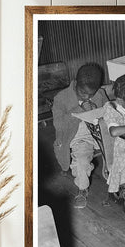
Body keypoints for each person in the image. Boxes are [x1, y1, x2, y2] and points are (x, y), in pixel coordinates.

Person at [52, 63, 109, 209]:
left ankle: (118, 181)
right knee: (82, 161)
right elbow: (58, 124)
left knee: (121, 145)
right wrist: (79, 110)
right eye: (83, 92)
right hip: (76, 137)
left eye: (91, 94)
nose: (87, 97)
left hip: (98, 133)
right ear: (76, 83)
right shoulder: (62, 98)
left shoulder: (100, 94)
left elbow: (109, 113)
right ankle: (82, 189)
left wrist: (98, 111)